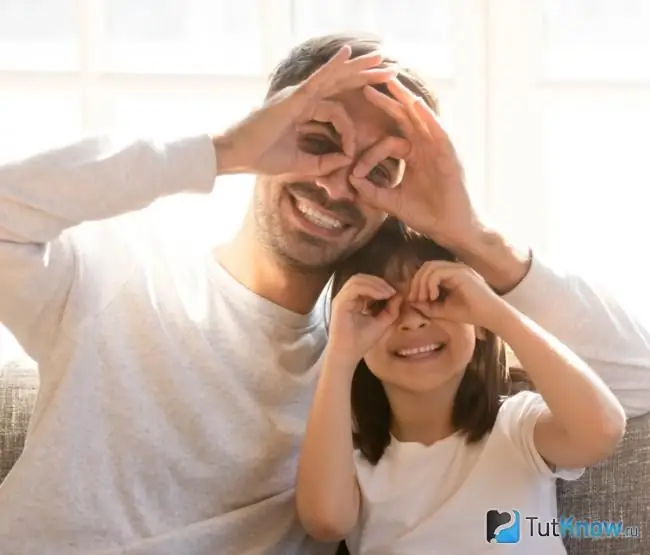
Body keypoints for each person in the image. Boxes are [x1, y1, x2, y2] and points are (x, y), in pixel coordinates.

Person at [0, 32, 647, 555]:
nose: (336, 184)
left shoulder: (371, 360)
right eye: (315, 141)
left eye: (378, 169)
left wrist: (470, 234)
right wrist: (221, 151)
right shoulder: (118, 274)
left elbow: (634, 386)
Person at [295, 220, 627, 554]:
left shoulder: (517, 425)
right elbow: (326, 521)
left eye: (436, 296)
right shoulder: (354, 462)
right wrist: (340, 354)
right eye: (382, 305)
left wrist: (498, 314)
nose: (412, 320)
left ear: (479, 325)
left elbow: (603, 430)